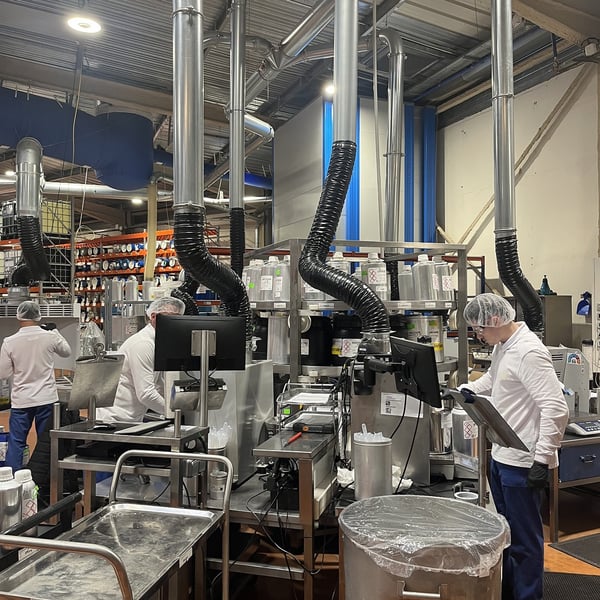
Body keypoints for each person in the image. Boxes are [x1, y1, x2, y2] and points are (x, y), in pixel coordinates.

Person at [460, 293, 569, 600]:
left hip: (523, 463)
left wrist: (542, 459)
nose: (479, 335)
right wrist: (466, 390)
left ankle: (528, 596)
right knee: (506, 535)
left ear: (495, 320)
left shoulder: (529, 352)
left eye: (480, 329)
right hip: (502, 454)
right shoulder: (504, 345)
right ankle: (509, 591)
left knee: (524, 541)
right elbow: (493, 379)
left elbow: (555, 408)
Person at [0, 300, 72, 472]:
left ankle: (13, 480)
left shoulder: (10, 341)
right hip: (46, 398)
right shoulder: (50, 336)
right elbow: (66, 352)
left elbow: (3, 373)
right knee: (46, 443)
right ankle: (48, 479)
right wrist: (54, 330)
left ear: (19, 316)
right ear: (38, 315)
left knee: (17, 442)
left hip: (21, 400)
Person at [96, 296, 185, 423]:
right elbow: (146, 394)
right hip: (113, 419)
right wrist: (172, 412)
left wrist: (179, 403)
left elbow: (159, 385)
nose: (175, 323)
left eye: (179, 318)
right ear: (153, 317)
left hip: (132, 418)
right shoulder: (143, 344)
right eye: (171, 317)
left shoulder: (159, 343)